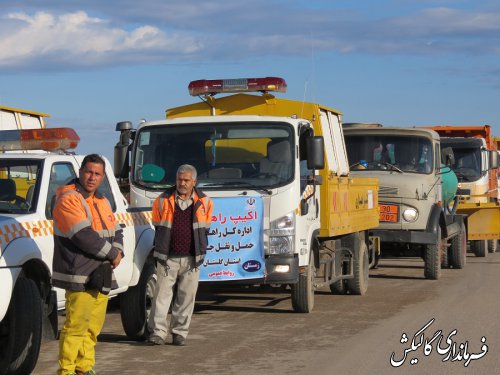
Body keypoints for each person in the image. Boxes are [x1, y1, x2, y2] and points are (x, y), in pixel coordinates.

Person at [52, 154, 124, 375]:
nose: (92, 177)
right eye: (89, 172)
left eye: (97, 174)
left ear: (103, 177)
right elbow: (83, 235)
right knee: (75, 328)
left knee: (92, 328)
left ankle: (85, 368)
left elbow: (117, 228)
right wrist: (113, 253)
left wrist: (119, 250)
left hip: (99, 273)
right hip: (80, 274)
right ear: (80, 172)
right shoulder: (68, 199)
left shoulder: (102, 201)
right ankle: (67, 370)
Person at [147, 164, 213, 346]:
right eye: (179, 179)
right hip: (167, 257)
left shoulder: (205, 202)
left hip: (192, 258)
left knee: (186, 297)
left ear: (194, 182)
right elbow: (158, 225)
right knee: (161, 296)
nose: (182, 183)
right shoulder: (162, 200)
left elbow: (205, 229)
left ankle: (179, 333)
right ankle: (158, 333)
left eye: (186, 180)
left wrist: (200, 251)